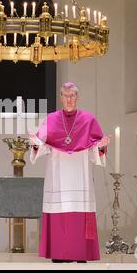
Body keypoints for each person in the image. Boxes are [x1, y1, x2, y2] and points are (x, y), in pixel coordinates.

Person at [29, 82, 110, 263]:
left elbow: (94, 150)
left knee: (79, 213)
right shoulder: (50, 120)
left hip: (80, 176)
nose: (69, 99)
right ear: (61, 98)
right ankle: (60, 253)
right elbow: (41, 147)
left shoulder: (89, 120)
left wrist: (101, 146)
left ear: (77, 97)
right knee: (60, 213)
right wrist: (35, 143)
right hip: (57, 175)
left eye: (72, 95)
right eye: (66, 95)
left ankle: (80, 253)